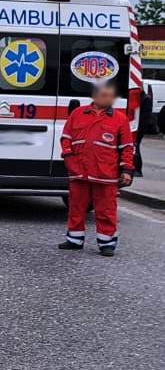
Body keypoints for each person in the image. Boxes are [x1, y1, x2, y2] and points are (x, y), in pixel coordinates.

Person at [59, 82, 134, 256]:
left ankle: (106, 243)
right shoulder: (78, 113)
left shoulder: (120, 119)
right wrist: (69, 158)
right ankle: (74, 239)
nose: (107, 98)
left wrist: (127, 170)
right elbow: (66, 138)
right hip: (79, 171)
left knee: (106, 210)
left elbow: (127, 147)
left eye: (110, 95)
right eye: (103, 94)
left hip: (105, 174)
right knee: (76, 207)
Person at [134, 85, 153, 176]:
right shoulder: (144, 98)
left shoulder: (144, 99)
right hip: (141, 126)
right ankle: (137, 169)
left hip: (140, 127)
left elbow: (143, 116)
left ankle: (137, 169)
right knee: (136, 146)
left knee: (136, 146)